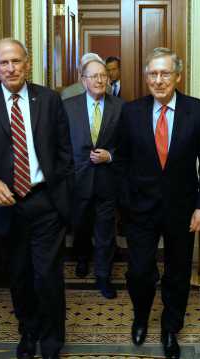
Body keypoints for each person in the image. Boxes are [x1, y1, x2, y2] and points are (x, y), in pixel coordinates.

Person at [0, 38, 73, 359]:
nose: (11, 68)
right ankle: (29, 330)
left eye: (16, 61)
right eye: (4, 63)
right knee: (19, 275)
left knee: (48, 276)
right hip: (4, 206)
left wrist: (59, 193)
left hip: (45, 202)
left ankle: (52, 340)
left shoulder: (50, 100)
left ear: (28, 63)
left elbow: (65, 153)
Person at [117, 47, 200, 359]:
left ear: (178, 76)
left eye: (165, 73)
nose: (158, 80)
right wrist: (126, 204)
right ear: (146, 77)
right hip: (140, 210)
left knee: (177, 272)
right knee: (140, 272)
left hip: (183, 210)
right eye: (153, 74)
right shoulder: (130, 112)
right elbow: (120, 161)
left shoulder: (198, 111)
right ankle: (141, 317)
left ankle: (170, 327)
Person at [63, 53, 123, 298]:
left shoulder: (120, 107)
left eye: (103, 75)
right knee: (80, 226)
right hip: (76, 179)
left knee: (106, 231)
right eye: (94, 76)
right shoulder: (67, 106)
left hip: (107, 180)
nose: (100, 80)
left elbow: (129, 145)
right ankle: (81, 258)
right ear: (83, 80)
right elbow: (59, 144)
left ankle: (103, 276)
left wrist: (110, 156)